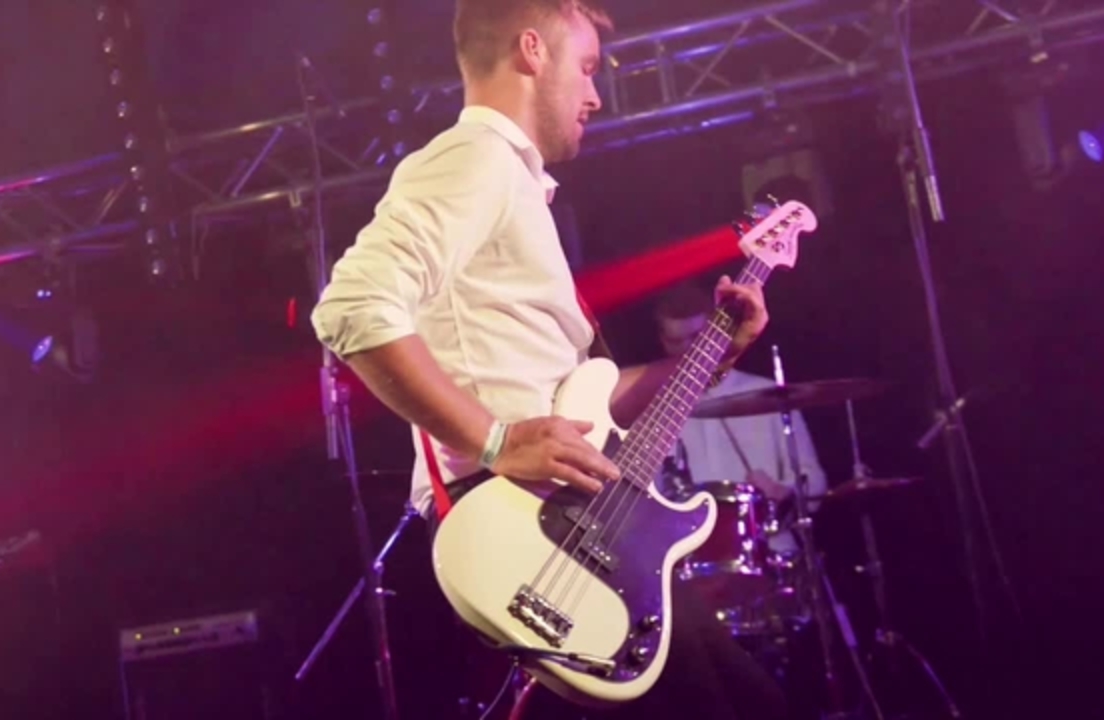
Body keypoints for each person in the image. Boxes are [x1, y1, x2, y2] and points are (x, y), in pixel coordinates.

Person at [312, 1, 791, 717]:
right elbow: (351, 309)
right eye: (588, 68)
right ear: (532, 51)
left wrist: (712, 357)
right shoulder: (475, 158)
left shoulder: (513, 185)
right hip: (529, 521)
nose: (596, 95)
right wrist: (497, 441)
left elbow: (582, 403)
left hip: (568, 519)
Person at [653, 281, 828, 559]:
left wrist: (782, 491)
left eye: (697, 338)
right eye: (677, 342)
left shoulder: (770, 396)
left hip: (770, 553)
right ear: (663, 341)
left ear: (715, 334)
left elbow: (815, 482)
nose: (690, 351)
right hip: (688, 560)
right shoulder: (655, 409)